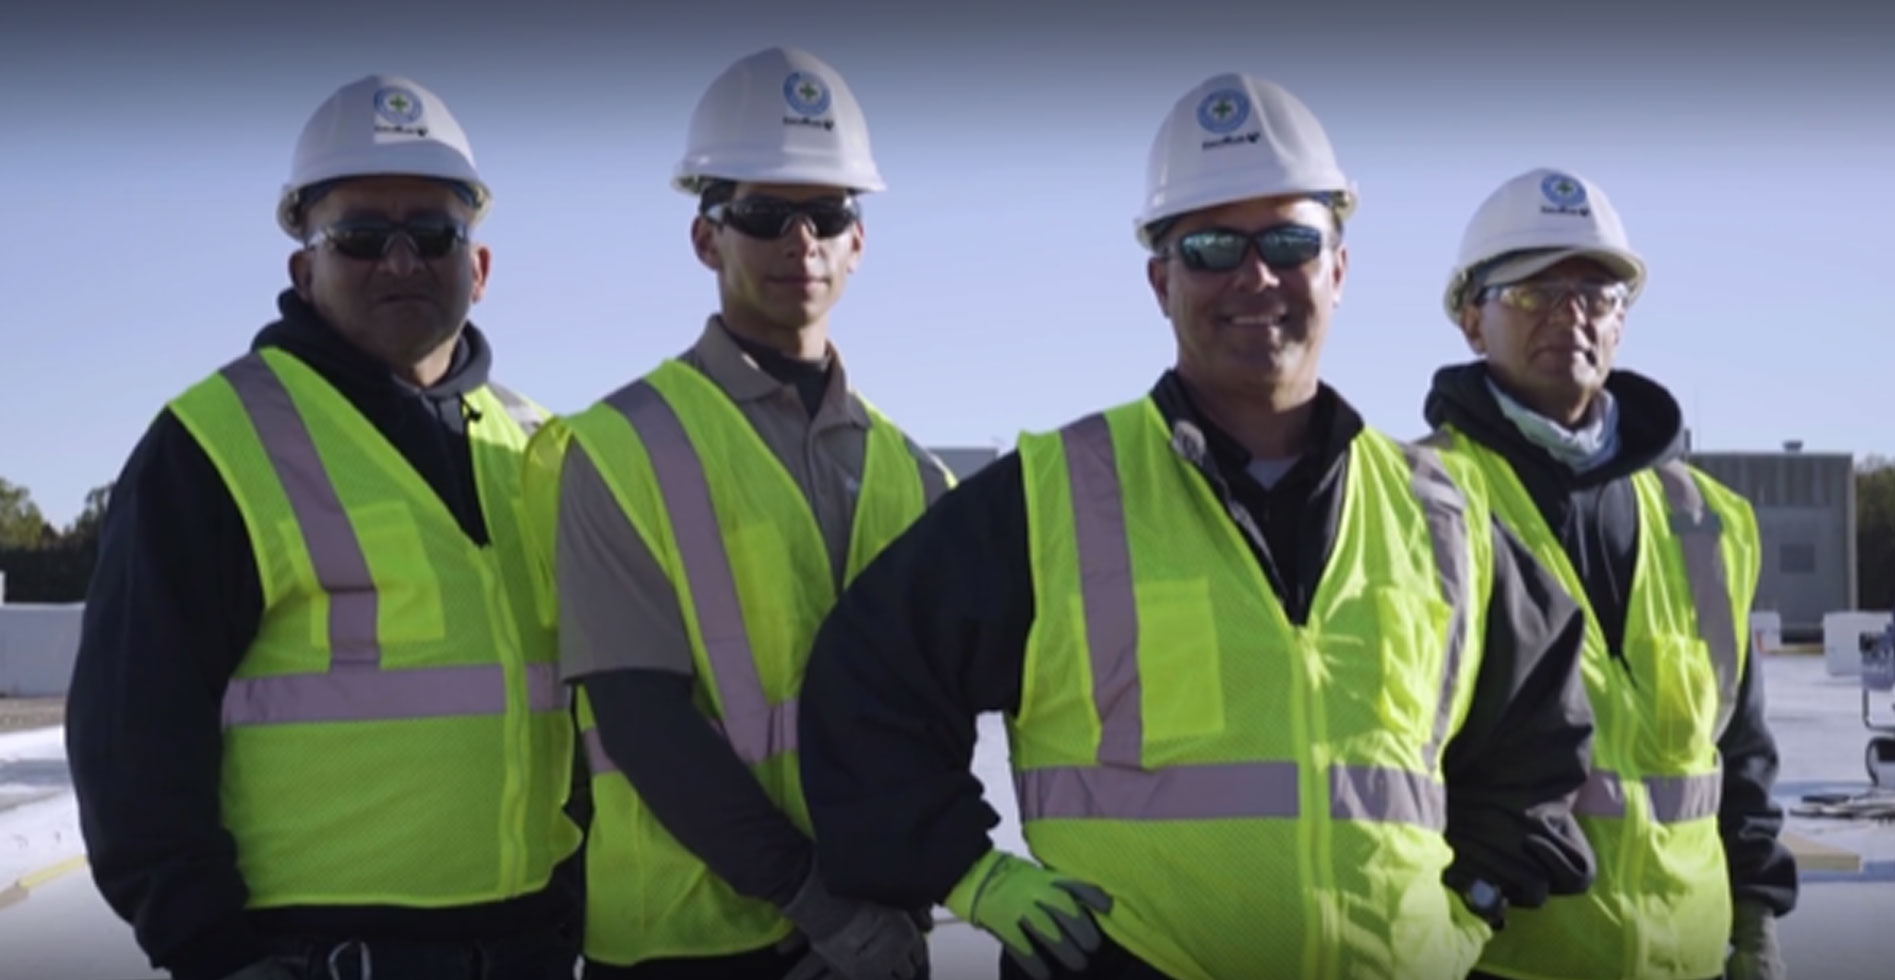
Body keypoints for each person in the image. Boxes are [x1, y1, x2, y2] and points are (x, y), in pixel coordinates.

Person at [793, 72, 1601, 980]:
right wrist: (969, 876)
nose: (1253, 275)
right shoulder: (1058, 494)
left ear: (1337, 267)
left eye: (1289, 241)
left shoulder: (1440, 515)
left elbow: (1541, 737)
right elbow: (864, 687)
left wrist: (1475, 904)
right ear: (1159, 281)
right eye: (1211, 246)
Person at [64, 74, 583, 980]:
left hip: (531, 948)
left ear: (481, 267)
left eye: (432, 234)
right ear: (304, 267)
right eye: (358, 237)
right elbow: (130, 740)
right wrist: (209, 950)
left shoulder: (540, 446)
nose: (400, 261)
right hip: (309, 957)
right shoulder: (210, 445)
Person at [517, 46, 951, 980]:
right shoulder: (623, 446)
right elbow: (641, 721)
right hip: (688, 946)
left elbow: (929, 726)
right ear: (706, 238)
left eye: (827, 214)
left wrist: (893, 909)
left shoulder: (912, 475)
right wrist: (820, 905)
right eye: (762, 215)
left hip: (872, 941)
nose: (800, 242)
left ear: (858, 241)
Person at [1424, 167, 1796, 980]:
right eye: (1532, 291)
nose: (1571, 314)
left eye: (1596, 294)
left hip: (1693, 963)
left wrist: (1754, 924)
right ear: (1469, 319)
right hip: (1498, 962)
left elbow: (1740, 759)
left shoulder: (1706, 521)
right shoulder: (1413, 500)